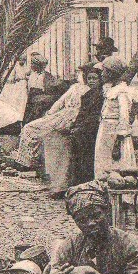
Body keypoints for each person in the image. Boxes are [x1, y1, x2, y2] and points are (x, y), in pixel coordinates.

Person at [11, 63, 97, 193]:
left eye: (92, 77)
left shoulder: (93, 92)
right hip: (63, 114)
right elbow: (60, 101)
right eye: (86, 76)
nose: (88, 79)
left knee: (49, 134)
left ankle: (47, 172)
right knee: (31, 127)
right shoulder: (75, 87)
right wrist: (50, 113)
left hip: (75, 118)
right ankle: (28, 162)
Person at [94, 56, 137, 178]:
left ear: (112, 73)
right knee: (102, 159)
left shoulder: (121, 91)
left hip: (115, 133)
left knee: (116, 163)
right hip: (105, 130)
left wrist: (118, 140)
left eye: (104, 71)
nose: (101, 74)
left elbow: (124, 116)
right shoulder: (110, 89)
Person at [69, 64, 106, 185]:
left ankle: (87, 182)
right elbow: (81, 114)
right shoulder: (87, 95)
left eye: (94, 78)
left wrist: (80, 128)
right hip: (83, 130)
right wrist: (74, 126)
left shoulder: (101, 96)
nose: (91, 81)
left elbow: (94, 117)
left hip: (92, 131)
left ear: (100, 80)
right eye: (89, 78)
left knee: (88, 158)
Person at [24, 54, 69, 123]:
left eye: (33, 63)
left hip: (41, 98)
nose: (31, 65)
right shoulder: (31, 75)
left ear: (39, 65)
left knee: (37, 106)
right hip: (31, 97)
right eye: (31, 63)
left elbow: (55, 87)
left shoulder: (47, 76)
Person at [0, 54, 30, 120]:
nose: (22, 61)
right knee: (16, 99)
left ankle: (21, 116)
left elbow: (28, 75)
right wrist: (15, 78)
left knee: (23, 100)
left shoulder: (26, 66)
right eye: (21, 60)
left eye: (24, 60)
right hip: (18, 85)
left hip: (24, 84)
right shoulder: (16, 66)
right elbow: (11, 77)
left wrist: (26, 77)